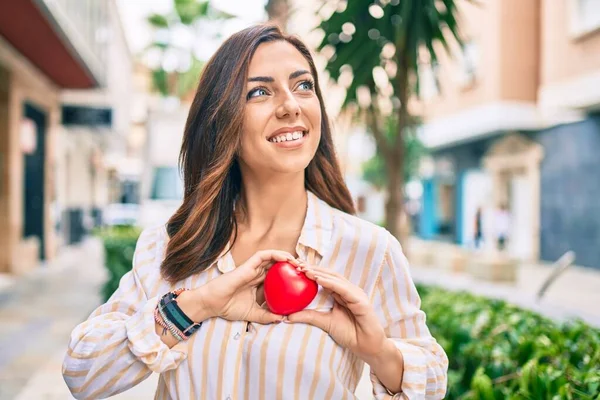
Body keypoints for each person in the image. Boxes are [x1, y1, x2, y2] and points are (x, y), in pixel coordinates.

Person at [62, 24, 448, 400]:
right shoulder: (171, 246)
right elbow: (83, 374)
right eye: (260, 92)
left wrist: (377, 350)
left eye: (303, 86)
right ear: (221, 118)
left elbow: (432, 383)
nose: (290, 106)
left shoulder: (369, 250)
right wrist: (194, 307)